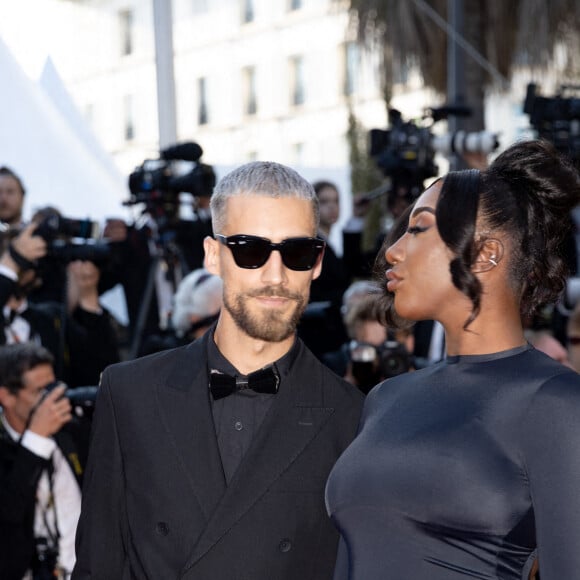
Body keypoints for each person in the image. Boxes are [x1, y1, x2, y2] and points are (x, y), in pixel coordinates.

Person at [73, 161, 364, 580]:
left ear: (317, 262)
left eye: (297, 252)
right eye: (250, 250)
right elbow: (98, 565)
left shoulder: (353, 417)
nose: (276, 275)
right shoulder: (129, 394)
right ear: (213, 255)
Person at [325, 139, 580, 579]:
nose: (393, 250)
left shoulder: (553, 401)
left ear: (485, 253)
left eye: (419, 229)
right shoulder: (384, 399)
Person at [0, 342, 88, 580]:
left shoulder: (72, 433)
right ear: (6, 396)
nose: (50, 400)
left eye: (51, 388)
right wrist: (34, 443)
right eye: (39, 391)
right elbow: (8, 515)